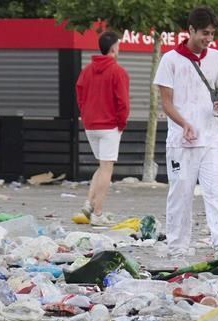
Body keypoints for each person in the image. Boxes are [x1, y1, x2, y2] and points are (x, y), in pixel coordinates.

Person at [153, 6, 218, 262]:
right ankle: (177, 246)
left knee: (215, 191)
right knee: (181, 192)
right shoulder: (169, 60)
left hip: (211, 138)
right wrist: (184, 124)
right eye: (204, 33)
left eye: (212, 34)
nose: (208, 39)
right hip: (181, 141)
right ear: (190, 30)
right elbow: (166, 102)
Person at [75, 30, 130, 224]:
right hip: (109, 126)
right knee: (107, 169)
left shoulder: (86, 71)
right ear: (114, 48)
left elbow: (80, 95)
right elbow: (122, 102)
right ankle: (98, 214)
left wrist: (86, 115)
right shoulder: (118, 72)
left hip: (91, 125)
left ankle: (89, 203)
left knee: (101, 166)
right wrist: (121, 124)